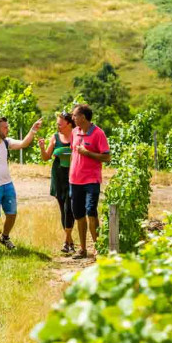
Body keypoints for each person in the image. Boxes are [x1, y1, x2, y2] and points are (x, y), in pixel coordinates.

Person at [0, 115, 42, 251]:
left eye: (7, 127)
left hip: (7, 184)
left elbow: (23, 144)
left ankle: (4, 237)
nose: (8, 130)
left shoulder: (7, 142)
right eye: (5, 128)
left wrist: (33, 130)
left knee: (12, 214)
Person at [69, 103, 110, 259]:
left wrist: (87, 153)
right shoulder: (74, 132)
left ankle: (98, 248)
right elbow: (74, 154)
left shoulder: (98, 133)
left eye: (75, 115)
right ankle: (83, 249)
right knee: (78, 215)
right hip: (75, 181)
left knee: (91, 212)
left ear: (83, 117)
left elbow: (107, 157)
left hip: (91, 180)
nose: (72, 118)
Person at [38, 112, 76, 254]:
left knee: (69, 208)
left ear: (69, 124)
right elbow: (46, 157)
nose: (57, 126)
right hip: (58, 177)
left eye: (60, 123)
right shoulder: (54, 137)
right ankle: (69, 242)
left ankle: (67, 241)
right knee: (63, 208)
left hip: (73, 176)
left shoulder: (77, 136)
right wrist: (42, 148)